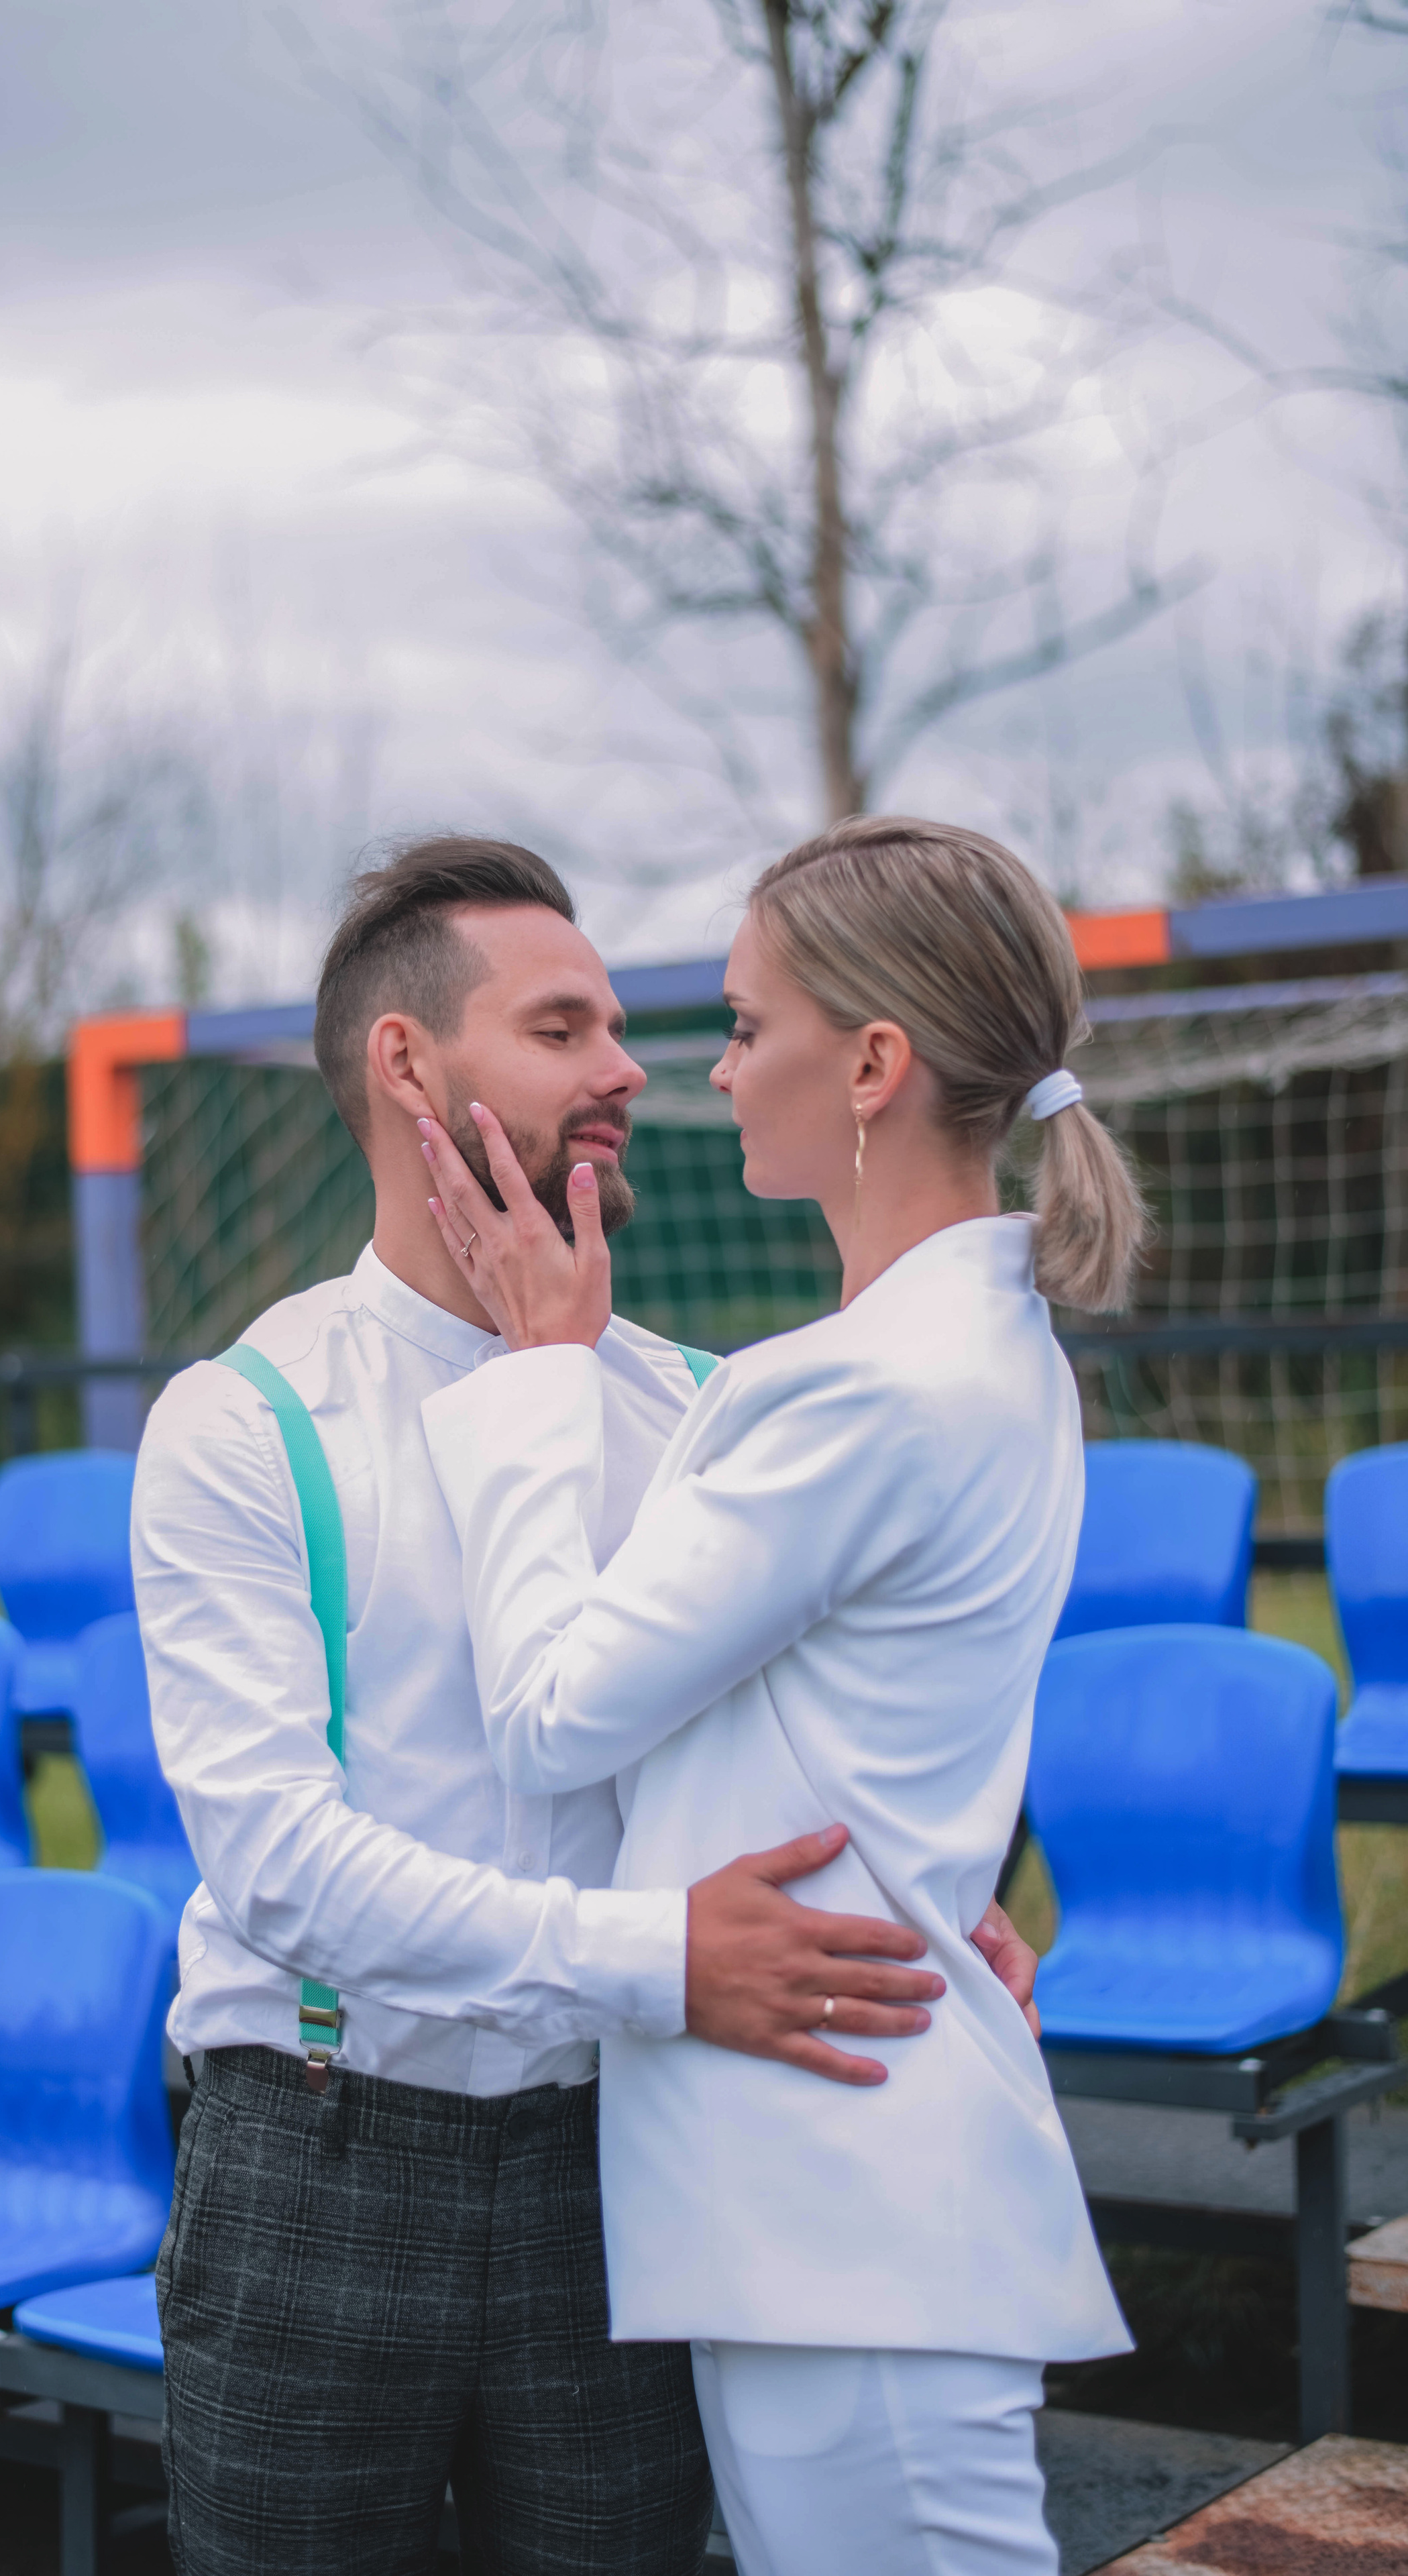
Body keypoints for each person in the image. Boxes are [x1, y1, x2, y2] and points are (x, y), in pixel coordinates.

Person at [135, 833, 1043, 2576]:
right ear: (411, 1065)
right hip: (319, 2164)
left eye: (622, 1026)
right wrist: (661, 1958)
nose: (631, 1067)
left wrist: (924, 1909)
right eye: (565, 1029)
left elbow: (766, 1755)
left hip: (624, 2160)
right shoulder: (243, 1423)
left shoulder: (700, 1406)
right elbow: (278, 1869)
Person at [417, 814, 1144, 2576]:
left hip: (849, 2202)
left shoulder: (866, 1391)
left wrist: (540, 1379)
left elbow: (553, 1710)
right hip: (838, 2185)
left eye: (747, 1028)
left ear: (875, 1063)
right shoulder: (980, 1350)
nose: (717, 1073)